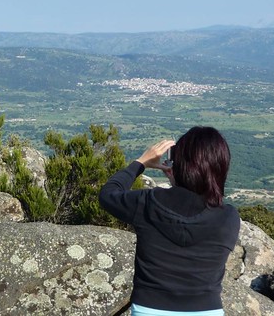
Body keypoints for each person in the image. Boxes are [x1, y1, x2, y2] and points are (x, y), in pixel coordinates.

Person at [99, 126, 240, 316]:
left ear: (177, 165)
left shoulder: (148, 203)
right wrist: (179, 179)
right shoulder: (228, 218)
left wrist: (140, 163)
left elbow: (108, 195)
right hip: (206, 309)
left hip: (148, 309)